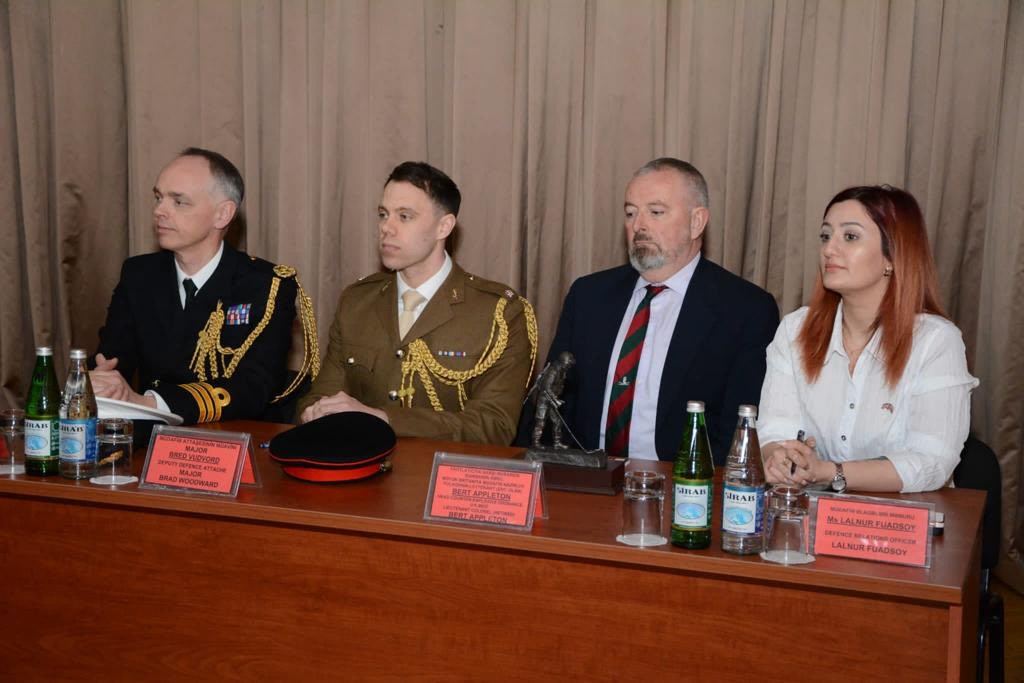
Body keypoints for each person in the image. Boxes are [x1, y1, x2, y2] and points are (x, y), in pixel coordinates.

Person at [522, 158, 779, 463]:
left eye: (656, 212)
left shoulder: (745, 309)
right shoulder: (589, 296)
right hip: (589, 477)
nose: (639, 226)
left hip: (685, 482)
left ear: (697, 222)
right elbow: (553, 404)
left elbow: (738, 434)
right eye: (631, 213)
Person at [296, 161, 538, 444]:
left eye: (405, 216)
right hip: (360, 463)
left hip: (446, 469)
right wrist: (316, 413)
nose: (386, 227)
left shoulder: (498, 312)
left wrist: (384, 419)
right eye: (383, 214)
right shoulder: (357, 301)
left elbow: (494, 426)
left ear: (443, 226)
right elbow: (319, 397)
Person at [758, 185, 978, 493]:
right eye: (825, 236)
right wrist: (780, 459)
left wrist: (829, 472)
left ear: (892, 256)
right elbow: (775, 430)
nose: (829, 249)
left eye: (850, 237)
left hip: (905, 516)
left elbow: (932, 462)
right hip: (810, 511)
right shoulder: (795, 330)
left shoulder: (936, 341)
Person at [91, 148, 318, 424]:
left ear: (222, 214)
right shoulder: (140, 275)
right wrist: (100, 379)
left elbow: (254, 386)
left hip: (233, 436)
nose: (159, 211)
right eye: (159, 198)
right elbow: (113, 357)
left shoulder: (266, 284)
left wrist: (152, 403)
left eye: (179, 202)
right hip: (153, 437)